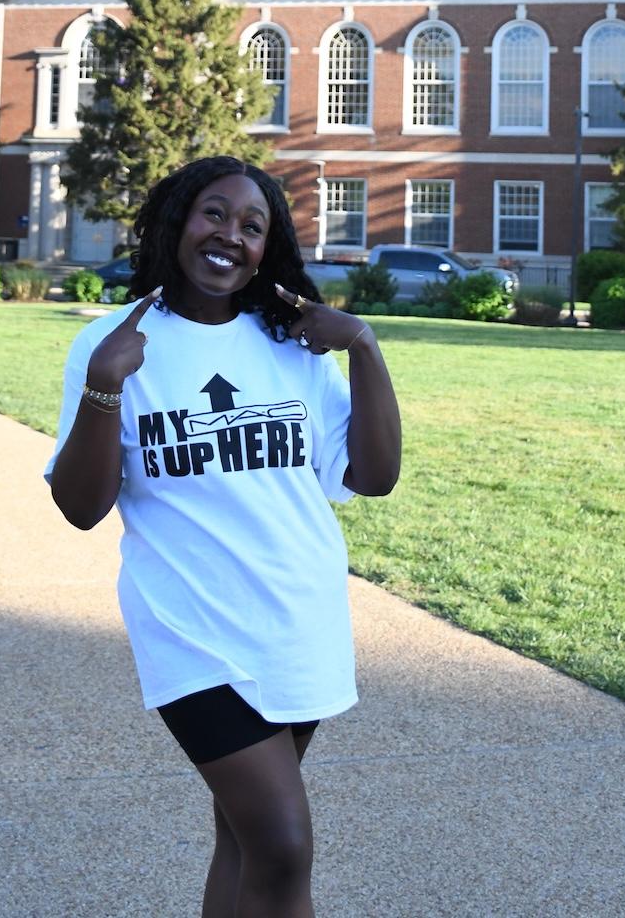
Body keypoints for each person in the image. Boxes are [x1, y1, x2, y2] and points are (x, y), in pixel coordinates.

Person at [46, 155, 401, 918]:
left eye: (252, 225)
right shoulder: (116, 344)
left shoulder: (291, 342)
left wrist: (363, 347)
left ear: (266, 247)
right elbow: (81, 507)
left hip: (294, 617)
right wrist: (105, 387)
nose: (230, 236)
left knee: (242, 842)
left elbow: (373, 477)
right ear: (177, 220)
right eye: (214, 213)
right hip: (190, 629)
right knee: (282, 843)